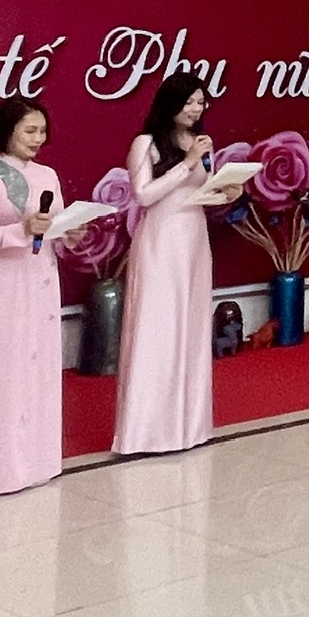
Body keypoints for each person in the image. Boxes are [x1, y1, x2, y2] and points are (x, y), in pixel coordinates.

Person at [0, 95, 72, 497]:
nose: (38, 139)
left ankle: (37, 462)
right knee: (1, 371)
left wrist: (71, 232)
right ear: (7, 131)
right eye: (29, 131)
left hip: (40, 276)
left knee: (39, 365)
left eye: (42, 131)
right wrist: (19, 231)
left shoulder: (48, 175)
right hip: (0, 280)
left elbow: (56, 225)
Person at [113, 71, 220, 456]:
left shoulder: (201, 141)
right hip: (161, 240)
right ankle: (146, 433)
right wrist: (186, 164)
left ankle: (189, 427)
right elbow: (144, 195)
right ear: (170, 103)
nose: (196, 109)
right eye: (189, 102)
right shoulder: (146, 143)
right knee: (157, 327)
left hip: (194, 239)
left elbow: (203, 189)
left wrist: (226, 189)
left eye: (201, 102)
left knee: (191, 327)